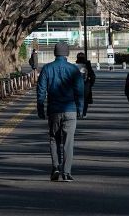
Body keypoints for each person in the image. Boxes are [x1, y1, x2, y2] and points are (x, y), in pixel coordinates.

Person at [36, 42, 85, 181]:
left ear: (55, 53)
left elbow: (41, 90)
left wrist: (40, 108)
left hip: (54, 109)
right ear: (67, 53)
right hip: (70, 110)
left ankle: (56, 167)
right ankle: (67, 172)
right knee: (69, 141)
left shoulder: (47, 68)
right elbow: (79, 91)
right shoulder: (73, 69)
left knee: (53, 138)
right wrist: (80, 108)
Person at [75, 52, 96, 116]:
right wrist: (90, 84)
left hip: (76, 85)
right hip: (85, 84)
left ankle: (78, 112)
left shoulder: (75, 66)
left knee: (76, 98)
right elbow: (93, 76)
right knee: (85, 100)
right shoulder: (87, 66)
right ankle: (83, 113)